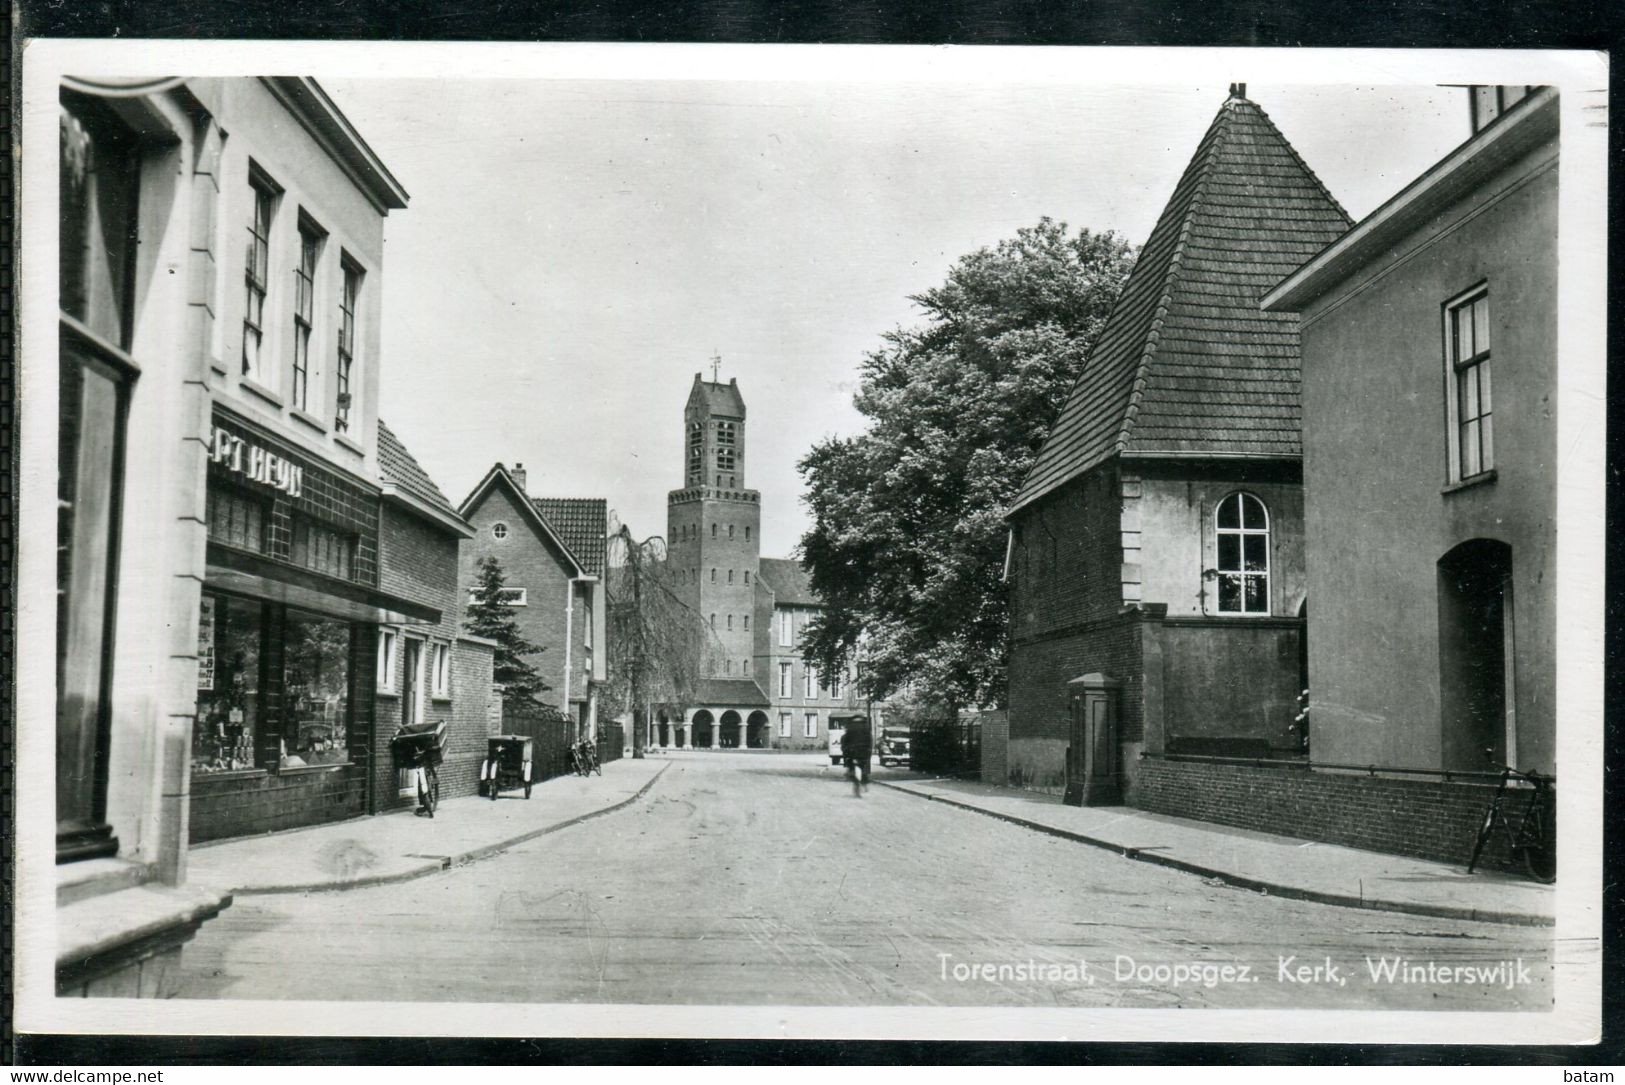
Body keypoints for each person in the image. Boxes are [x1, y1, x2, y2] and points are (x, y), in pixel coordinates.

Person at [841, 715, 873, 797]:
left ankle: (856, 785)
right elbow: (870, 740)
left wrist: (846, 753)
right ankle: (864, 782)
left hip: (853, 752)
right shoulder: (866, 728)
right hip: (863, 752)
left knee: (852, 769)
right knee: (863, 768)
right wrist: (869, 752)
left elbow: (846, 741)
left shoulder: (850, 728)